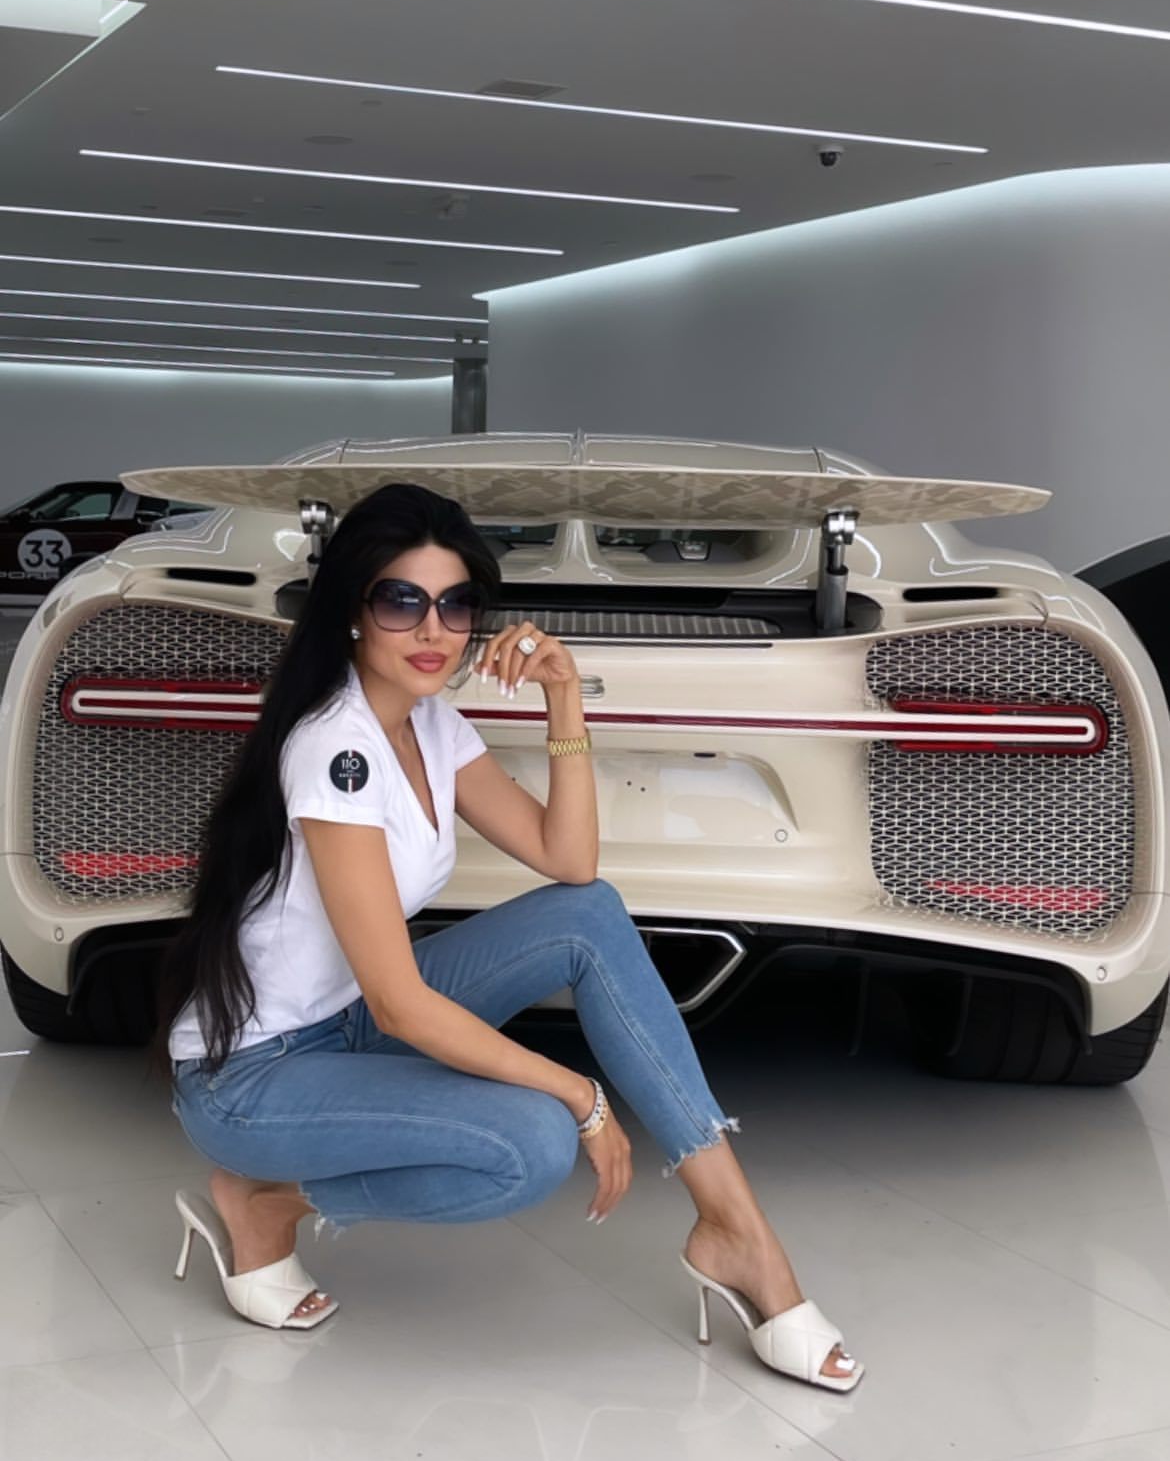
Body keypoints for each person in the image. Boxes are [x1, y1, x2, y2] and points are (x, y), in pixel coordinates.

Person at [153, 482, 862, 1390]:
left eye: (455, 604)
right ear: (352, 612)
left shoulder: (430, 725)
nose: (433, 630)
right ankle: (267, 1202)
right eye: (401, 600)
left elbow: (568, 861)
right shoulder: (337, 749)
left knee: (587, 915)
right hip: (254, 1079)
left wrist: (564, 695)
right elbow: (401, 1006)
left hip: (344, 1024)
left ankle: (737, 1230)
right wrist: (580, 1093)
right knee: (534, 1143)